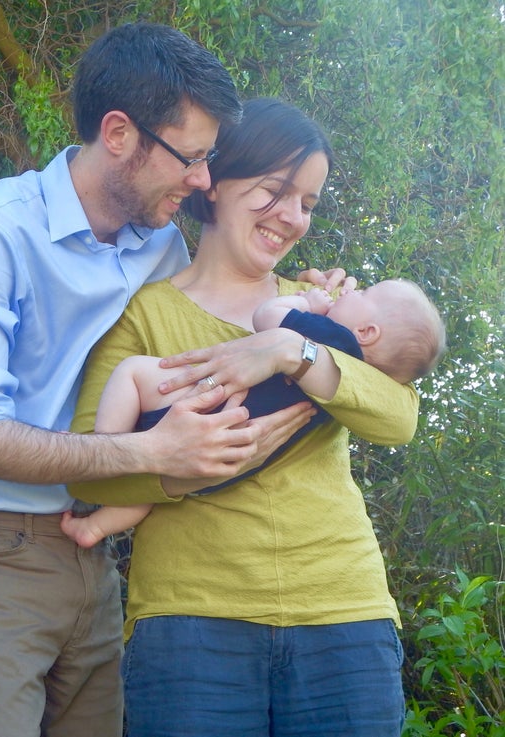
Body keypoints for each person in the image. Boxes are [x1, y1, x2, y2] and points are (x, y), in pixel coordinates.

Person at [0, 25, 345, 737]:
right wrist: (152, 455)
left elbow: (225, 308)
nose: (203, 180)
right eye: (192, 157)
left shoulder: (161, 251)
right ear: (118, 133)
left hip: (98, 562)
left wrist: (317, 306)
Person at [68, 97, 423, 737]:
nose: (292, 218)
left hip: (343, 611)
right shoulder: (141, 315)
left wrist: (292, 349)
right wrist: (179, 461)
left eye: (309, 203)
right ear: (216, 182)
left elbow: (399, 418)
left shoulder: (322, 312)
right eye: (275, 191)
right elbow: (88, 471)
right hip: (191, 621)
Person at [62, 279, 445, 548]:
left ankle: (112, 449)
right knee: (152, 488)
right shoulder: (348, 381)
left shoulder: (329, 335)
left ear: (366, 332)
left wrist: (307, 304)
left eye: (364, 292)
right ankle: (97, 526)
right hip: (229, 462)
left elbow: (268, 315)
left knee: (131, 371)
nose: (353, 289)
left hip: (195, 412)